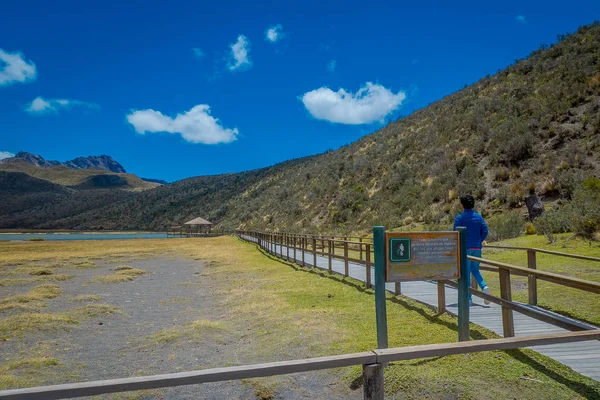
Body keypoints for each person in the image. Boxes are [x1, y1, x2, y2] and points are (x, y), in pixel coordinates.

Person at [453, 194, 491, 305]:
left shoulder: (460, 218)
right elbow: (485, 230)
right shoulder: (478, 217)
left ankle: (468, 298)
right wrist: (479, 241)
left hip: (465, 249)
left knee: (466, 273)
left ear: (462, 205)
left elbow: (455, 233)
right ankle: (484, 286)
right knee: (475, 270)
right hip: (477, 248)